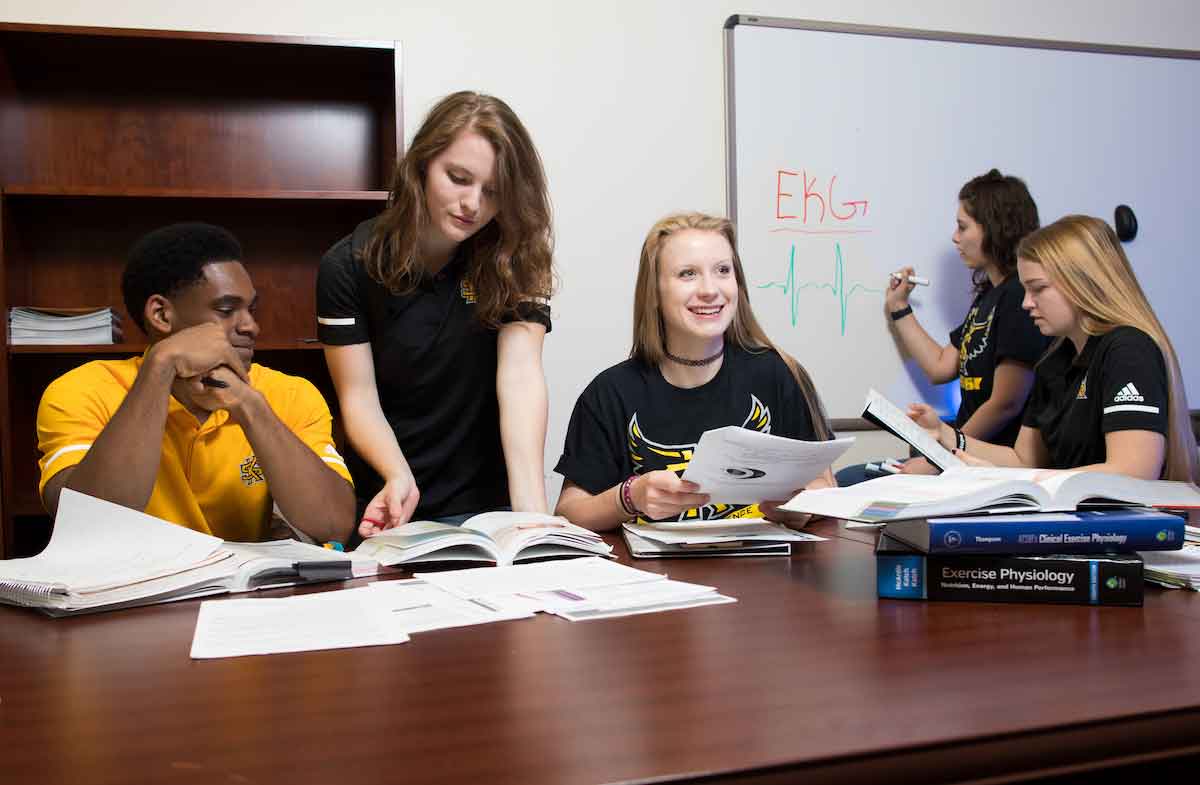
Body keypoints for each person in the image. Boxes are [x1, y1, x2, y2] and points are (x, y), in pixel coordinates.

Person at [317, 91, 553, 536]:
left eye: (493, 192)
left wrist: (534, 518)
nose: (473, 204)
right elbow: (359, 399)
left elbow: (521, 379)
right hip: (391, 506)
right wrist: (397, 477)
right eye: (458, 178)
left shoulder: (516, 257)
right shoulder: (348, 264)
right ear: (422, 164)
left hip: (487, 512)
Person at [36, 223, 356, 543]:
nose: (251, 326)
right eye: (226, 309)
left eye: (251, 309)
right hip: (131, 589)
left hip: (242, 590)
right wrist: (160, 367)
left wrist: (249, 405)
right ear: (161, 315)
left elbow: (333, 524)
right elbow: (89, 525)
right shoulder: (81, 390)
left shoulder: (291, 394)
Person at [554, 212, 835, 531]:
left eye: (722, 271)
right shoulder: (608, 393)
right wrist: (630, 497)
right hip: (653, 576)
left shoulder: (778, 373)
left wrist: (801, 508)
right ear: (654, 293)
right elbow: (569, 514)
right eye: (687, 274)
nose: (710, 290)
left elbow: (824, 486)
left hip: (765, 571)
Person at [909, 214, 1199, 484]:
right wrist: (946, 435)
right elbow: (1023, 460)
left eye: (1038, 289)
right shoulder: (1055, 360)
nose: (1026, 303)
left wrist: (1018, 481)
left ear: (1082, 282)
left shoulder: (1127, 350)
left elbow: (1134, 470)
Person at [840, 169, 1049, 484]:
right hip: (958, 453)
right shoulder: (988, 298)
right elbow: (941, 366)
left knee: (851, 480)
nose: (955, 237)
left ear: (994, 229)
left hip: (987, 462)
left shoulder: (1019, 298)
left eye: (963, 227)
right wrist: (899, 307)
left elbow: (1006, 402)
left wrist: (944, 451)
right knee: (850, 478)